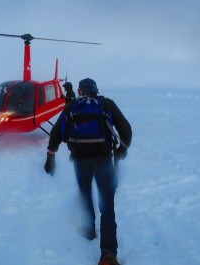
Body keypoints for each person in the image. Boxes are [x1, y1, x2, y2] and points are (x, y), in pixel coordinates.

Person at [44, 78, 132, 265]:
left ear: (80, 90)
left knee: (85, 194)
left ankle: (90, 230)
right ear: (95, 90)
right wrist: (121, 150)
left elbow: (57, 132)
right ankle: (108, 254)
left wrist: (50, 155)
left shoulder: (71, 106)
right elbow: (126, 129)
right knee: (107, 205)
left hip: (80, 160)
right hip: (104, 160)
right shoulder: (106, 103)